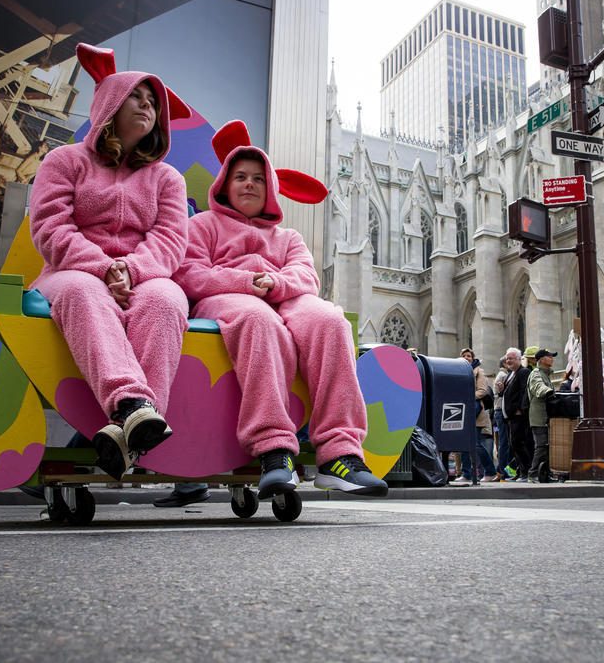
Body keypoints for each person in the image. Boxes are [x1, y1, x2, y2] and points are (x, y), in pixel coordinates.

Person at [172, 120, 387, 498]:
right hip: (228, 300)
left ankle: (340, 455)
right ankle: (274, 450)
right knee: (259, 319)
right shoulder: (202, 224)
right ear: (224, 184)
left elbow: (307, 276)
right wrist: (244, 281)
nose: (250, 183)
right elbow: (189, 274)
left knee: (330, 320)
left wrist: (277, 283)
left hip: (285, 297)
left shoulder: (288, 237)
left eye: (258, 178)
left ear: (271, 188)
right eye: (240, 176)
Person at [28, 43, 192, 481]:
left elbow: (172, 240)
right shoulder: (64, 161)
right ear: (110, 105)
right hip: (70, 274)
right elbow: (49, 228)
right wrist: (103, 267)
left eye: (153, 102)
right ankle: (134, 405)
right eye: (136, 97)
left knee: (167, 298)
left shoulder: (167, 178)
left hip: (145, 276)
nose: (147, 106)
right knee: (85, 290)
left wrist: (132, 271)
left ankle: (127, 433)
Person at [456, 348, 496, 482]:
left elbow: (482, 391)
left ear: (473, 358)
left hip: (475, 412)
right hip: (461, 411)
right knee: (462, 443)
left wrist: (466, 398)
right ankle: (466, 474)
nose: (466, 358)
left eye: (469, 356)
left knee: (477, 444)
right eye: (464, 356)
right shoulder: (457, 372)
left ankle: (490, 472)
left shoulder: (479, 371)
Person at [499, 347, 532, 481]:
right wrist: (502, 390)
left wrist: (520, 409)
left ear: (519, 359)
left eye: (511, 358)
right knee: (513, 445)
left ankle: (526, 471)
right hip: (509, 416)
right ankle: (519, 471)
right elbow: (508, 394)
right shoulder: (510, 374)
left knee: (518, 443)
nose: (508, 361)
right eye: (507, 358)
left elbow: (524, 391)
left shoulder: (523, 372)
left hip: (518, 415)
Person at [528, 347, 558, 483]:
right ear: (541, 360)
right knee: (541, 446)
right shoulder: (536, 373)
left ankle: (545, 473)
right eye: (549, 356)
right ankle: (533, 474)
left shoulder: (546, 374)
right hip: (539, 417)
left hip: (546, 416)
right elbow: (538, 387)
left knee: (547, 446)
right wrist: (548, 391)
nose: (552, 358)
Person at [491, 357, 513, 481]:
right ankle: (502, 471)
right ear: (505, 364)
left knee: (503, 442)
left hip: (499, 411)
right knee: (505, 443)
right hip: (501, 410)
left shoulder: (502, 374)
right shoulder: (503, 375)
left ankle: (501, 471)